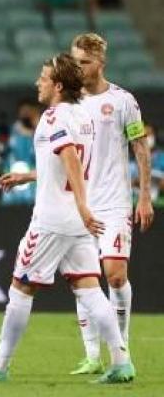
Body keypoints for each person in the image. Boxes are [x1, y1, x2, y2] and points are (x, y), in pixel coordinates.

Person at [0, 53, 135, 384]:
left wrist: (82, 205)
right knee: (89, 289)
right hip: (78, 220)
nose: (37, 82)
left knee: (21, 287)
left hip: (52, 219)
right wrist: (30, 179)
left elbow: (69, 158)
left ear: (56, 85)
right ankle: (122, 361)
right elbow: (72, 166)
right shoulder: (84, 116)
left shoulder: (53, 117)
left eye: (42, 77)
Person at [67, 33, 153, 375]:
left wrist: (144, 195)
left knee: (115, 275)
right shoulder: (67, 104)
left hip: (115, 202)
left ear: (101, 63)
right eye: (74, 62)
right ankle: (91, 355)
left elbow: (140, 149)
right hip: (79, 204)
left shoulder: (123, 101)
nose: (78, 68)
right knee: (83, 280)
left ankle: (121, 343)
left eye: (84, 63)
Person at [2, 98, 43, 205]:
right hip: (14, 176)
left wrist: (36, 127)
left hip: (35, 180)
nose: (26, 115)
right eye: (23, 112)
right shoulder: (13, 131)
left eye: (29, 112)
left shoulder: (44, 131)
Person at [130, 124, 164, 205]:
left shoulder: (162, 157)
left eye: (149, 134)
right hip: (135, 201)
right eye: (144, 135)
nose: (147, 138)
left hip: (157, 201)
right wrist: (136, 181)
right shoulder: (131, 160)